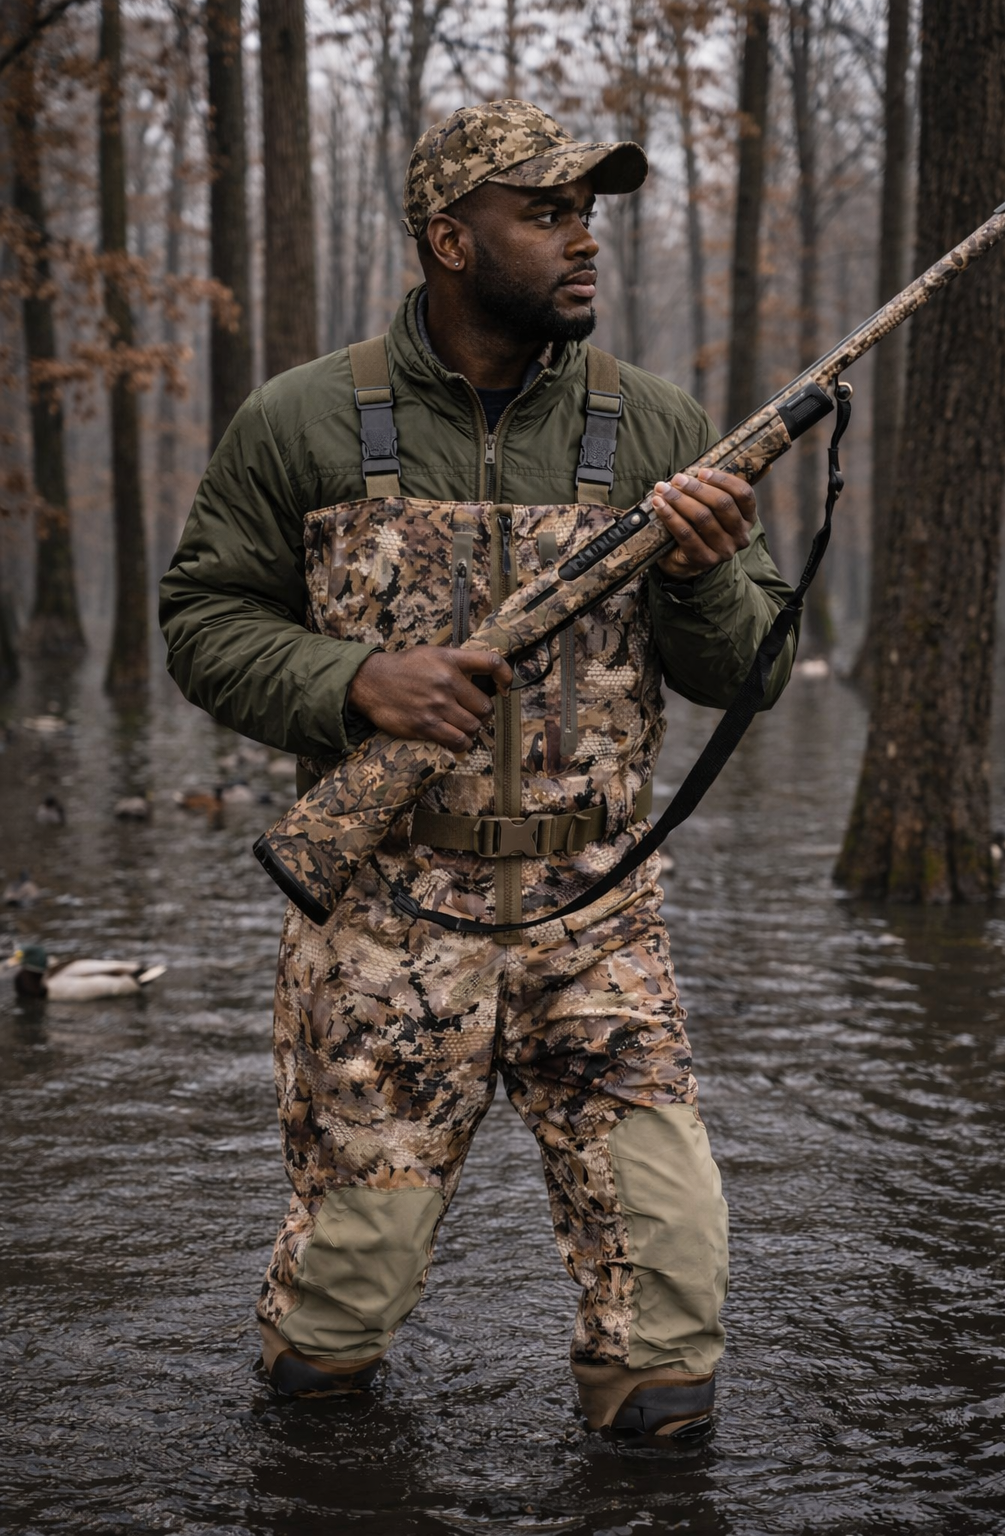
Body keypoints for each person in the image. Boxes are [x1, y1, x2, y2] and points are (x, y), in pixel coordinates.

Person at [160, 100, 797, 1439]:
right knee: (334, 1336)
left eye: (590, 216)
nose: (583, 243)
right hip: (383, 912)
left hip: (599, 915)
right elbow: (203, 625)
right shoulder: (303, 421)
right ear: (450, 238)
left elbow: (748, 672)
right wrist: (353, 682)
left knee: (673, 1337)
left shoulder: (662, 427)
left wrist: (697, 573)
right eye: (546, 213)